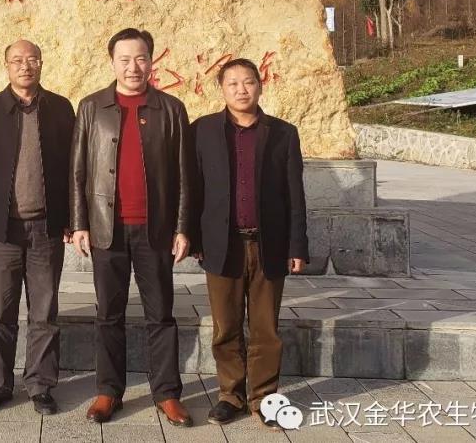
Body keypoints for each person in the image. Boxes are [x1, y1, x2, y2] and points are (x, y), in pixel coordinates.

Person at [70, 27, 196, 428]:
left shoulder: (171, 109)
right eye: (124, 59)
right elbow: (77, 171)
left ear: (151, 61)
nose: (133, 67)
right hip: (106, 229)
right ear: (112, 63)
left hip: (155, 230)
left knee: (161, 314)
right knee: (109, 313)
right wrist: (79, 224)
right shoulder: (91, 107)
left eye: (140, 58)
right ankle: (109, 391)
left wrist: (182, 227)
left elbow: (185, 174)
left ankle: (167, 393)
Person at [192, 58, 308, 429]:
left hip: (268, 243)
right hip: (222, 244)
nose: (241, 90)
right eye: (233, 83)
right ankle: (230, 395)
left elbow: (295, 194)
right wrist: (194, 238)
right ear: (222, 89)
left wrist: (297, 246)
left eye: (248, 82)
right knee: (225, 326)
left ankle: (263, 398)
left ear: (260, 85)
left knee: (265, 329)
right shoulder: (203, 130)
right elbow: (193, 188)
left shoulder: (283, 133)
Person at [0, 39, 76, 415]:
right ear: (7, 66)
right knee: (1, 312)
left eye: (32, 59)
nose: (25, 66)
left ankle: (40, 385)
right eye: (17, 60)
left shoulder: (60, 108)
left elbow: (72, 169)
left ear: (41, 63)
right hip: (3, 230)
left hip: (46, 228)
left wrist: (70, 219)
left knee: (44, 313)